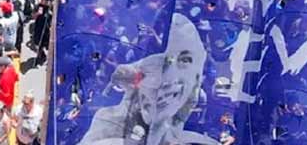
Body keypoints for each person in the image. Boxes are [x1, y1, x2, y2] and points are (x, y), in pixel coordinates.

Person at [77, 14, 210, 145]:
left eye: (184, 60)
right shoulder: (107, 129)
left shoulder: (198, 139)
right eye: (164, 62)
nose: (169, 76)